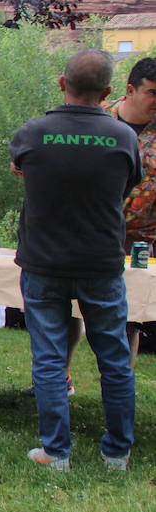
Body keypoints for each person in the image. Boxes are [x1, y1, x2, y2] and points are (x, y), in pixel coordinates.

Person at [11, 48, 140, 472]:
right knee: (114, 358)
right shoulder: (125, 137)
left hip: (44, 261)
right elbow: (125, 187)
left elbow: (21, 171)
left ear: (62, 83)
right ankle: (117, 452)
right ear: (107, 92)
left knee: (49, 357)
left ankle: (56, 452)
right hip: (100, 260)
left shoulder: (33, 132)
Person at [103, 56, 156, 365]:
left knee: (131, 310)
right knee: (72, 305)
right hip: (91, 228)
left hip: (140, 237)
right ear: (130, 90)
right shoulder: (100, 119)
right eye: (152, 93)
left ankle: (120, 381)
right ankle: (62, 376)